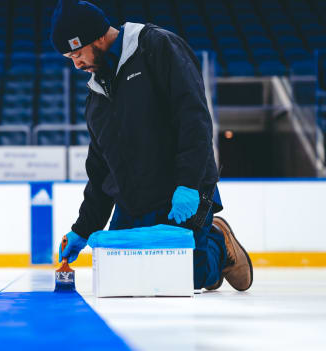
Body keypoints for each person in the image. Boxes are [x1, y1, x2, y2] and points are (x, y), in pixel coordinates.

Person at [51, 0, 252, 291]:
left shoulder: (156, 47)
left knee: (182, 278)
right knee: (121, 276)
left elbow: (193, 118)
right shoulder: (96, 98)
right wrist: (83, 229)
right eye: (70, 57)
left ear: (96, 36)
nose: (77, 64)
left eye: (77, 53)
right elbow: (100, 170)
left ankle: (218, 242)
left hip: (181, 196)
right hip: (134, 202)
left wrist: (189, 184)